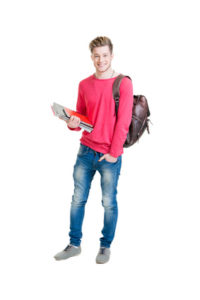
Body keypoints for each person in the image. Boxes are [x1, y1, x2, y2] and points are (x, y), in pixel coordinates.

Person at [54, 36, 133, 264]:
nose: (101, 60)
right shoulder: (84, 84)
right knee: (77, 199)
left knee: (109, 202)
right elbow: (82, 117)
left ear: (112, 56)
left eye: (105, 55)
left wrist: (115, 152)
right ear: (92, 57)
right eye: (97, 56)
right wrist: (71, 124)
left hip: (110, 154)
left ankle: (105, 246)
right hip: (85, 151)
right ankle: (74, 244)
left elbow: (124, 121)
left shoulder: (123, 83)